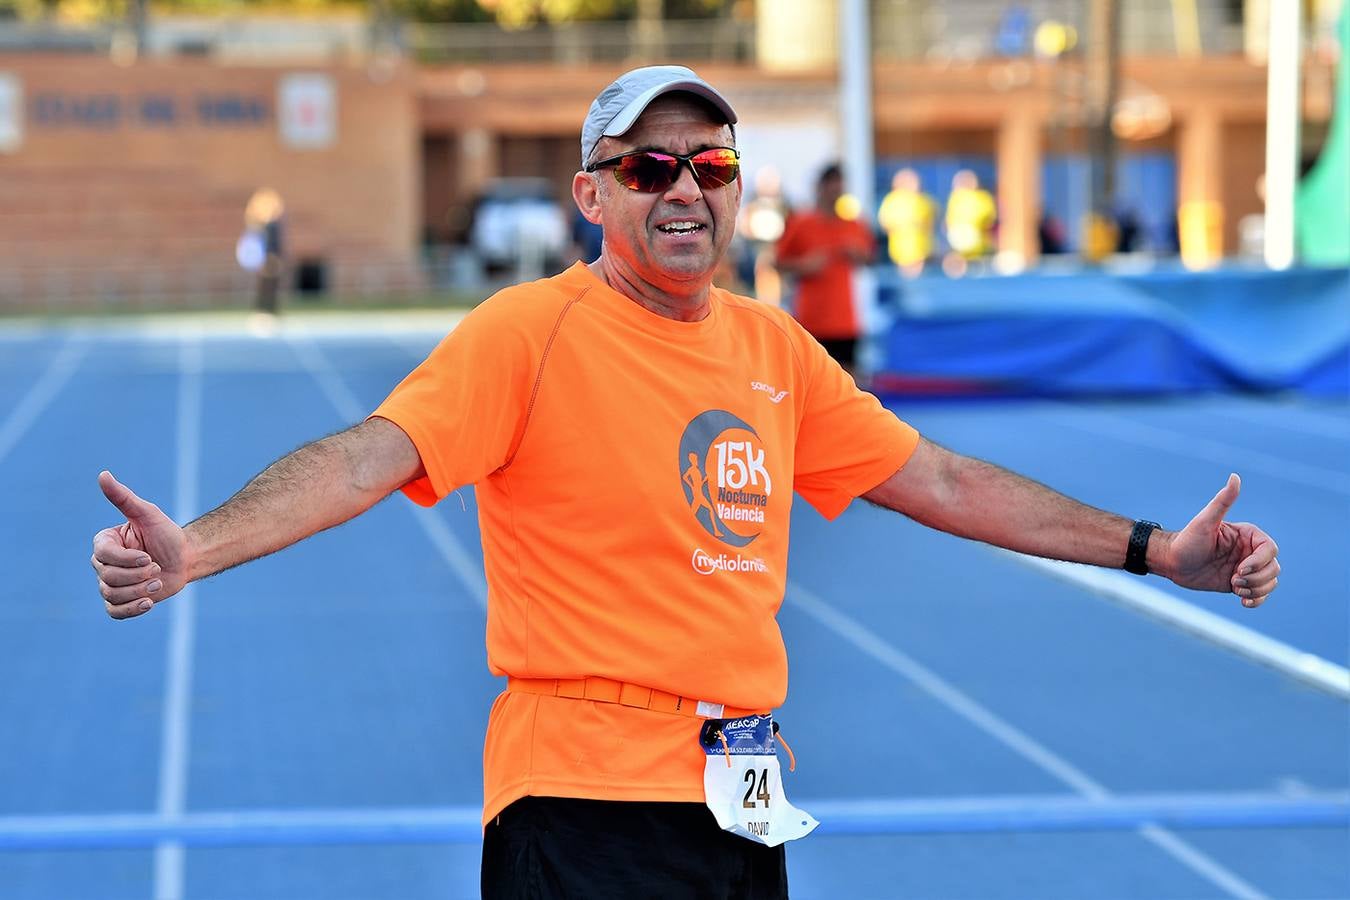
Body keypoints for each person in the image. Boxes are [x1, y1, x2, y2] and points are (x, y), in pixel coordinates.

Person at [91, 65, 1281, 900]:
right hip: (579, 797)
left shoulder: (771, 351)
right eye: (650, 163)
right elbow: (366, 455)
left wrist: (1153, 550)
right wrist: (197, 545)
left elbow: (945, 482)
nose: (686, 188)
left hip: (737, 797)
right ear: (592, 195)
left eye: (709, 164)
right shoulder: (528, 333)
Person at [775, 163, 875, 376]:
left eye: (839, 184)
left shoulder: (854, 225)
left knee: (850, 382)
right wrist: (804, 265)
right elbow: (776, 263)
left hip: (845, 322)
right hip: (811, 321)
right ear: (820, 187)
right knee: (810, 380)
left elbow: (871, 260)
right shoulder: (801, 223)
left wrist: (858, 254)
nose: (835, 190)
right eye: (831, 184)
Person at [877, 167, 937, 278]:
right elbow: (885, 224)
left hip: (922, 250)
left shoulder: (925, 201)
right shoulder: (892, 201)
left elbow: (931, 224)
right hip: (901, 252)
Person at [942, 169, 997, 277]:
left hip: (979, 242)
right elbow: (949, 219)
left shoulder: (983, 198)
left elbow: (989, 222)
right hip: (960, 239)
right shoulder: (956, 198)